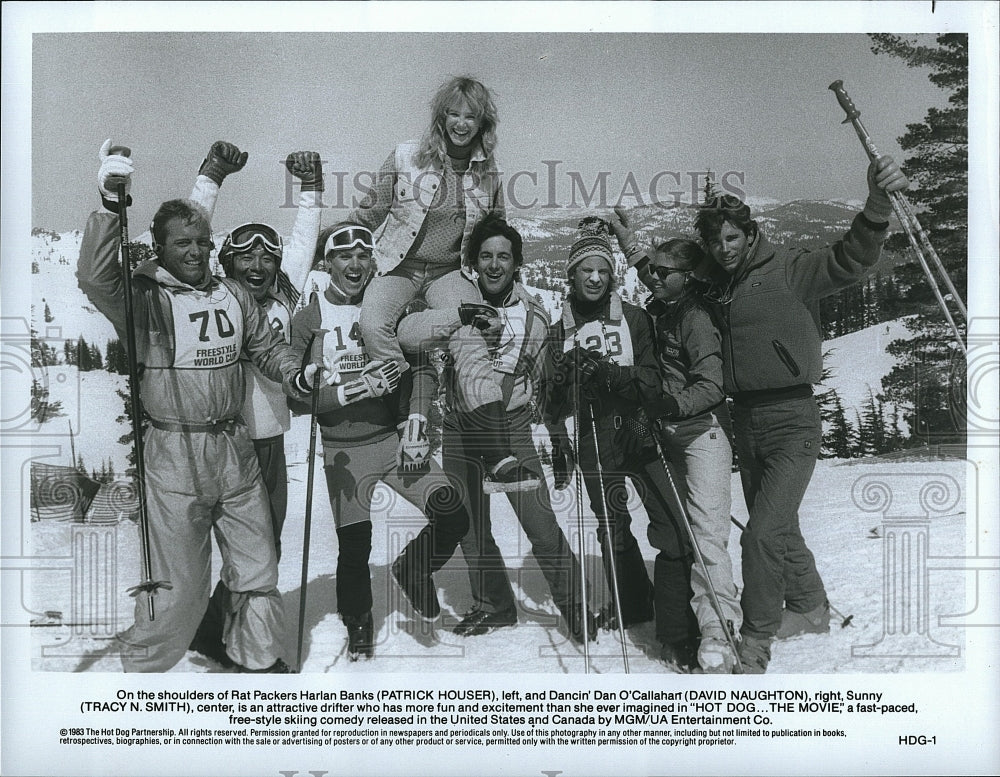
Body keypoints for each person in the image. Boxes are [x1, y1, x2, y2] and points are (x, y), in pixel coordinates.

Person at [77, 140, 320, 672]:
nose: (193, 252)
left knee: (259, 572)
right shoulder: (146, 300)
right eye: (181, 243)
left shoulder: (232, 293)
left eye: (202, 242)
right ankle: (137, 680)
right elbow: (96, 278)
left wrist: (296, 372)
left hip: (233, 450)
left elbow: (267, 348)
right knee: (179, 588)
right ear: (160, 250)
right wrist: (108, 204)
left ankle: (257, 663)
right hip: (174, 452)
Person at [689, 155, 909, 673]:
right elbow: (670, 281)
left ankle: (757, 638)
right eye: (716, 242)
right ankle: (809, 608)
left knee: (761, 533)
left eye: (732, 238)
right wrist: (634, 251)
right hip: (746, 420)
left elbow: (852, 258)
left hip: (793, 418)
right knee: (779, 527)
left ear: (750, 232)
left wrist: (877, 202)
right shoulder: (717, 283)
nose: (725, 249)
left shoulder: (789, 268)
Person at [396, 215, 596, 643]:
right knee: (470, 528)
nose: (494, 265)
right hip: (460, 429)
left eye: (503, 256)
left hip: (514, 429)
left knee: (540, 525)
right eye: (485, 256)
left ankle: (575, 604)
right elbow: (421, 356)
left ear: (516, 264)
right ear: (472, 263)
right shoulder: (453, 309)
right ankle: (495, 606)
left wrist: (558, 436)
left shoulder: (535, 317)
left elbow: (547, 380)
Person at [288, 217, 473, 661]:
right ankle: (359, 627)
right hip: (343, 449)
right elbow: (296, 396)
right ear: (327, 263)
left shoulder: (390, 308)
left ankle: (412, 568)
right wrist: (349, 390)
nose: (355, 264)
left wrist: (416, 419)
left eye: (364, 254)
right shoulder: (311, 316)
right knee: (355, 547)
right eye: (344, 255)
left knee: (452, 516)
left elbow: (424, 367)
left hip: (392, 441)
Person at [347, 76, 531, 491]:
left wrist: (510, 281)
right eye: (453, 113)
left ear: (483, 123)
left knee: (473, 329)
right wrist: (335, 243)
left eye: (471, 116)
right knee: (375, 325)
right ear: (440, 116)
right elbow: (370, 213)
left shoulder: (488, 174)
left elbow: (493, 231)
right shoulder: (406, 156)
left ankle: (496, 449)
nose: (461, 124)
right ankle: (410, 416)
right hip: (399, 265)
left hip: (449, 271)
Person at [184, 144, 323, 666]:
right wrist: (212, 175)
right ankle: (252, 651)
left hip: (270, 443)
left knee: (270, 549)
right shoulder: (213, 297)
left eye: (268, 255)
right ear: (227, 262)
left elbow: (305, 239)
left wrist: (310, 189)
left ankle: (215, 628)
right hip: (225, 443)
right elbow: (191, 233)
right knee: (255, 552)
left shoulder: (284, 296)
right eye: (247, 255)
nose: (259, 263)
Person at [545, 218, 701, 669]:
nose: (594, 278)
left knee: (671, 526)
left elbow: (653, 380)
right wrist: (567, 380)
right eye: (585, 270)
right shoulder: (561, 329)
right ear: (571, 276)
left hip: (639, 428)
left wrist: (612, 374)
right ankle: (634, 603)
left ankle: (676, 631)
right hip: (595, 436)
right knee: (612, 528)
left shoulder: (633, 318)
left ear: (612, 275)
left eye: (602, 270)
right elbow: (552, 404)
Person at [608, 224, 743, 674]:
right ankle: (689, 623)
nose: (654, 278)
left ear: (688, 275)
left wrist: (669, 404)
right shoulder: (666, 303)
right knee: (681, 528)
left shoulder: (694, 318)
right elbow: (645, 266)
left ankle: (719, 632)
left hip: (701, 431)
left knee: (707, 535)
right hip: (669, 430)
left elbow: (713, 386)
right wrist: (626, 241)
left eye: (666, 273)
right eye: (655, 272)